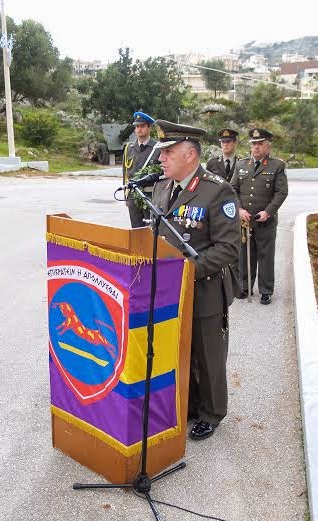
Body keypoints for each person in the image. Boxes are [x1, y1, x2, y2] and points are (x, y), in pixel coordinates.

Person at [152, 119, 241, 440]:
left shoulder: (217, 190)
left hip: (204, 288)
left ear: (190, 155)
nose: (161, 158)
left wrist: (186, 271)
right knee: (180, 351)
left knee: (208, 354)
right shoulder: (162, 187)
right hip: (168, 290)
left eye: (168, 152)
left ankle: (212, 412)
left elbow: (229, 248)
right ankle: (189, 404)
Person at [230, 128, 288, 305]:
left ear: (267, 146)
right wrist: (239, 210)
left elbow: (281, 192)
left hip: (265, 221)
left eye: (259, 144)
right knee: (245, 255)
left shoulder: (276, 166)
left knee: (265, 256)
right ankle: (245, 286)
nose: (256, 147)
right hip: (245, 220)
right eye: (253, 144)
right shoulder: (241, 165)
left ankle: (266, 290)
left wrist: (268, 212)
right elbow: (233, 189)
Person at [123, 111, 161, 228]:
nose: (139, 129)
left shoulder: (158, 147)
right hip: (133, 196)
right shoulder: (129, 148)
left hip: (150, 196)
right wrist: (126, 196)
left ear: (149, 128)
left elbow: (162, 174)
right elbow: (125, 173)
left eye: (142, 126)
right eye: (137, 127)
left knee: (151, 230)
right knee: (136, 229)